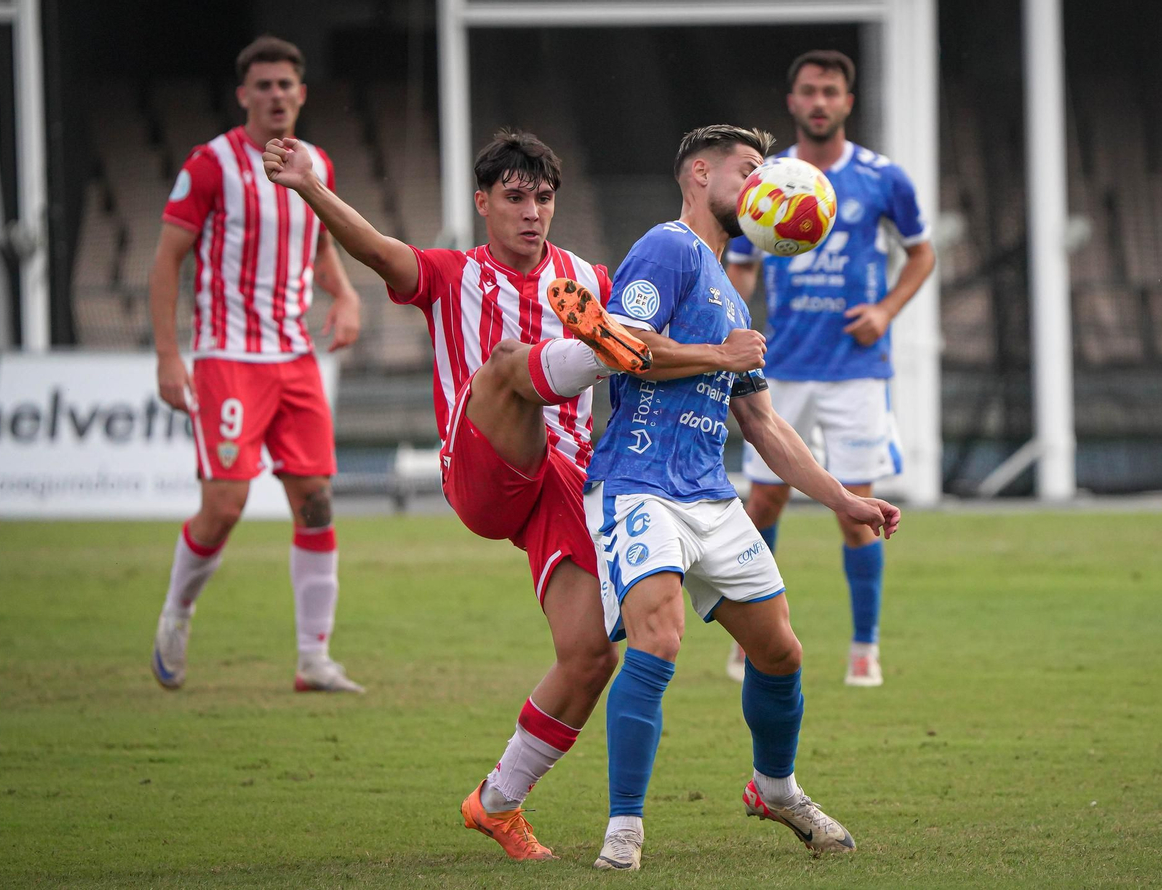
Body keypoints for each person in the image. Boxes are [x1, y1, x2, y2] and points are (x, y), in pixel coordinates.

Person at [263, 129, 766, 860]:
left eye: (544, 197)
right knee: (505, 366)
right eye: (514, 197)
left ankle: (497, 801)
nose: (532, 211)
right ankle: (594, 351)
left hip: (563, 479)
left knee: (591, 655)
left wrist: (723, 321)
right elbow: (375, 250)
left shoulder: (591, 275)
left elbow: (669, 340)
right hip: (482, 464)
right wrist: (310, 184)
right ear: (483, 202)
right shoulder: (449, 274)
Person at [570, 124, 901, 871]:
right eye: (749, 168)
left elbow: (761, 424)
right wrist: (719, 354)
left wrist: (843, 499)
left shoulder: (730, 291)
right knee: (658, 639)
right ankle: (623, 832)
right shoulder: (668, 247)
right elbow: (616, 344)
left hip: (709, 496)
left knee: (781, 652)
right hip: (638, 482)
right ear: (698, 172)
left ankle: (775, 787)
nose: (761, 184)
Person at [149, 36, 364, 694]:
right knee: (225, 505)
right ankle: (176, 615)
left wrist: (347, 291)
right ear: (244, 94)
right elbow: (166, 262)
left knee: (316, 503)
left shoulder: (316, 164)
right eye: (263, 85)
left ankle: (313, 658)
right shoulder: (211, 164)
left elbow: (318, 246)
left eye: (285, 85)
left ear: (301, 94)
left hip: (294, 359)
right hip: (228, 359)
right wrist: (168, 355)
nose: (275, 95)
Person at [724, 50, 935, 685]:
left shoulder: (881, 178)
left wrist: (887, 310)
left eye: (831, 92)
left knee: (856, 508)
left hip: (856, 367)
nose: (820, 101)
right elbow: (741, 262)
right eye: (809, 91)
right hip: (780, 366)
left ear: (848, 102)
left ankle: (864, 646)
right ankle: (754, 638)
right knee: (764, 500)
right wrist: (735, 316)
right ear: (792, 102)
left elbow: (921, 254)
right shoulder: (769, 179)